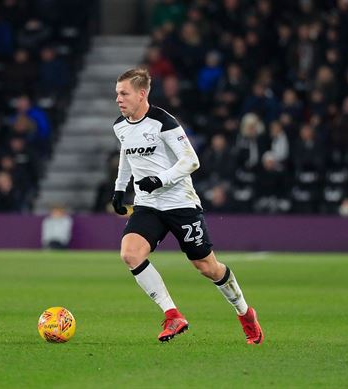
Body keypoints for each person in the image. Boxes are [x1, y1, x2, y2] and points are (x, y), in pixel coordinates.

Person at [111, 68, 264, 344]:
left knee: (207, 267)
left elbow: (191, 160)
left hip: (180, 204)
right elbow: (126, 153)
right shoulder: (120, 126)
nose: (119, 99)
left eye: (124, 93)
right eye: (117, 94)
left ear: (142, 94)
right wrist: (119, 189)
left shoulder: (163, 122)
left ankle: (244, 312)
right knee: (130, 254)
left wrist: (160, 179)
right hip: (148, 205)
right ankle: (172, 314)